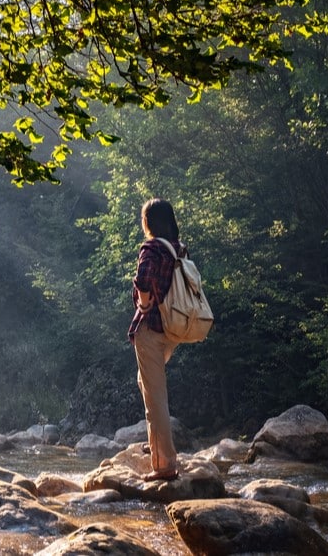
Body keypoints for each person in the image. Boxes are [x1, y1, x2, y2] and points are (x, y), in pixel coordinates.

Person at [127, 198, 184, 481]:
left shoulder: (151, 248)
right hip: (172, 329)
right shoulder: (177, 248)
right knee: (146, 383)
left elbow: (143, 277)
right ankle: (158, 449)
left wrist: (145, 303)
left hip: (150, 328)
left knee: (155, 398)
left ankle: (163, 466)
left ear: (148, 222)